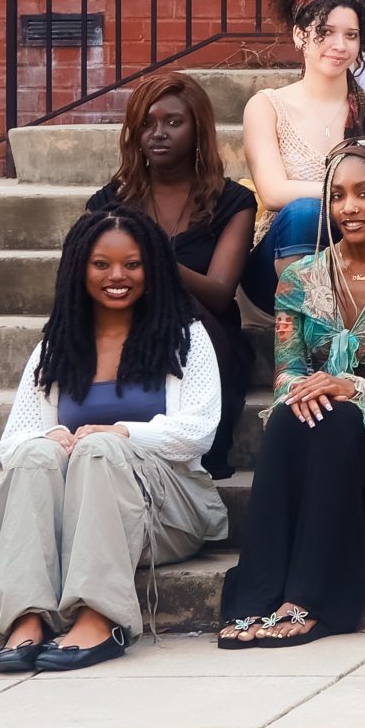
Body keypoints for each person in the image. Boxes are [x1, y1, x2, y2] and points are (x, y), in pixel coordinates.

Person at [218, 143, 365, 646]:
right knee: (286, 418)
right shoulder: (299, 279)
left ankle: (313, 596)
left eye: (364, 194)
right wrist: (304, 393)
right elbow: (287, 373)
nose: (349, 207)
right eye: (338, 196)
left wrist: (352, 388)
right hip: (321, 420)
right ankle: (254, 597)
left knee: (336, 420)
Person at [0, 211, 226, 673]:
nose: (118, 277)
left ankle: (100, 617)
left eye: (132, 264)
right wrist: (51, 436)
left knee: (100, 449)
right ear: (79, 268)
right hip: (73, 521)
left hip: (165, 513)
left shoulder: (184, 337)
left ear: (152, 268)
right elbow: (12, 444)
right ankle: (27, 616)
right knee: (36, 453)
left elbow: (199, 433)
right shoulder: (55, 347)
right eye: (101, 264)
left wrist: (123, 433)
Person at [87, 73, 255, 479]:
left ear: (198, 128)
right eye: (146, 123)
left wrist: (151, 254)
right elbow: (90, 284)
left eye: (173, 122)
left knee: (194, 316)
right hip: (127, 329)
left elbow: (218, 293)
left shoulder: (233, 201)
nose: (157, 134)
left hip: (206, 332)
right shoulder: (109, 203)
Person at [240, 0, 365, 313]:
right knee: (305, 212)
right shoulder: (268, 106)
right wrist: (351, 193)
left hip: (362, 256)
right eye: (325, 32)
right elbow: (273, 193)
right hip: (279, 263)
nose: (338, 45)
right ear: (300, 35)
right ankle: (305, 332)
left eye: (351, 35)